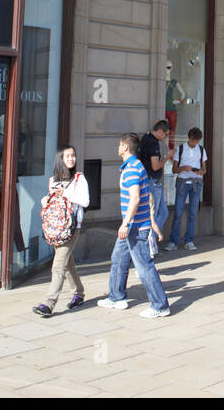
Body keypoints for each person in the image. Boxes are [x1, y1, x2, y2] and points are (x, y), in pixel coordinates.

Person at [99, 133, 170, 317]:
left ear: (125, 148)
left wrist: (125, 223)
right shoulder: (135, 165)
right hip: (133, 226)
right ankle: (116, 297)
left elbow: (135, 199)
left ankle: (160, 305)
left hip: (135, 226)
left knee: (144, 266)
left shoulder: (131, 169)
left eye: (119, 145)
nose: (118, 148)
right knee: (118, 259)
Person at [33, 145, 91, 317]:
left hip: (72, 227)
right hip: (56, 228)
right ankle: (79, 293)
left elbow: (85, 201)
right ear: (60, 159)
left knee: (58, 265)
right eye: (68, 156)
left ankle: (49, 303)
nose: (71, 159)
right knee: (67, 263)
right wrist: (47, 200)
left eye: (73, 155)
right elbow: (50, 201)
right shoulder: (53, 180)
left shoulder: (80, 178)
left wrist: (66, 194)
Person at [164, 127, 207, 251]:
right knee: (178, 212)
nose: (195, 143)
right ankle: (173, 241)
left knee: (193, 213)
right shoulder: (181, 149)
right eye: (193, 140)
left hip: (196, 182)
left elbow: (205, 170)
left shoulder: (201, 150)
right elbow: (174, 170)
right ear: (189, 138)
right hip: (183, 182)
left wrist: (200, 172)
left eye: (197, 141)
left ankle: (189, 240)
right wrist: (184, 168)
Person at [138, 120, 170, 251]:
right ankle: (150, 246)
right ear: (160, 131)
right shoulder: (152, 142)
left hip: (152, 181)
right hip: (152, 182)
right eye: (166, 134)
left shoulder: (146, 137)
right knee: (154, 215)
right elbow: (155, 165)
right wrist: (168, 157)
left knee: (163, 212)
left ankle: (152, 242)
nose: (166, 137)